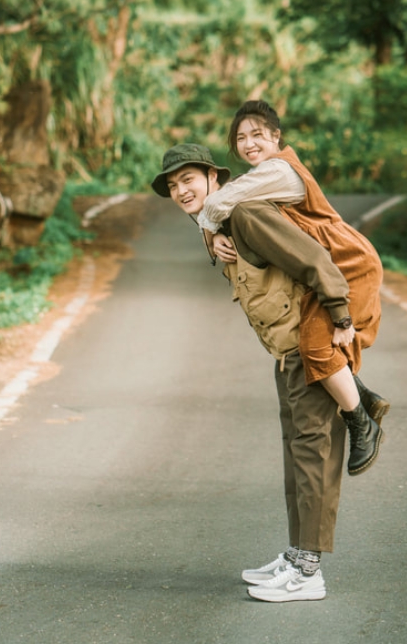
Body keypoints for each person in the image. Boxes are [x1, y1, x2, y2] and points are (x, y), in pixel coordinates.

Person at [151, 143, 387, 603]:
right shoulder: (218, 226)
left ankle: (309, 572)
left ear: (214, 179)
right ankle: (297, 554)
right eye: (174, 186)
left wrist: (339, 316)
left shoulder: (244, 216)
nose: (181, 191)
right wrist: (210, 236)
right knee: (295, 455)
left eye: (189, 180)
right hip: (286, 354)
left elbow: (314, 261)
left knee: (313, 452)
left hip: (308, 347)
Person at [197, 100, 387, 475]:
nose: (249, 144)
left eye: (257, 135)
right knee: (313, 340)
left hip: (350, 265)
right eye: (240, 139)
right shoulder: (262, 176)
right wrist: (213, 231)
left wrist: (208, 230)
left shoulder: (280, 170)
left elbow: (218, 201)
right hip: (328, 267)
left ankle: (362, 423)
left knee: (319, 344)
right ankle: (364, 396)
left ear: (276, 137)